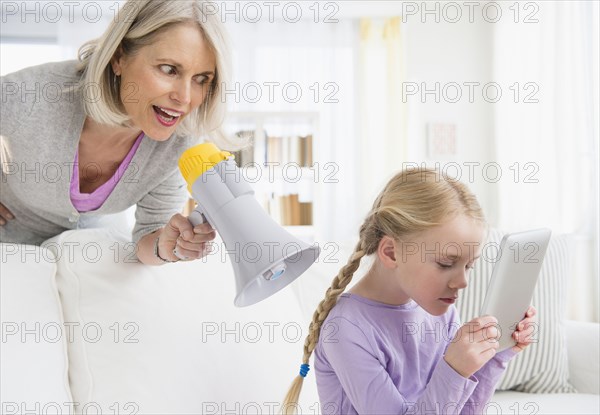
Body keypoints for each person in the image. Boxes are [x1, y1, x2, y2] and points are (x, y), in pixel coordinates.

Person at [282, 168, 537, 414]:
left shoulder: (441, 312)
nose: (462, 282)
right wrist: (454, 369)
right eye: (446, 264)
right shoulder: (346, 329)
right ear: (391, 252)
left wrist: (495, 355)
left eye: (469, 265)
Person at [0, 0, 235, 264]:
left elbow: (149, 235)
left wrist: (166, 246)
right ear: (119, 57)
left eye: (201, 79)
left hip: (88, 260)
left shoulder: (180, 143)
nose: (185, 97)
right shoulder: (30, 96)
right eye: (169, 69)